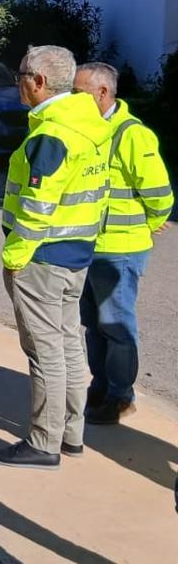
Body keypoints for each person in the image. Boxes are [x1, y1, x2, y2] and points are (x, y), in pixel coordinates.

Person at [0, 46, 111, 470]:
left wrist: (14, 257)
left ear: (37, 82)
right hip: (76, 253)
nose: (16, 81)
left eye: (20, 74)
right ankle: (71, 434)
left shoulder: (51, 134)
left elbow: (37, 207)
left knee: (45, 351)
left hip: (41, 258)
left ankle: (43, 441)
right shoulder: (88, 123)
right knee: (69, 342)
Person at [73, 62, 173, 425]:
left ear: (103, 93)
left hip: (119, 250)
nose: (73, 98)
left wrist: (153, 222)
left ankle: (121, 395)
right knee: (93, 323)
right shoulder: (86, 130)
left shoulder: (132, 134)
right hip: (87, 245)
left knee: (116, 325)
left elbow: (160, 194)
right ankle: (101, 384)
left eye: (79, 92)